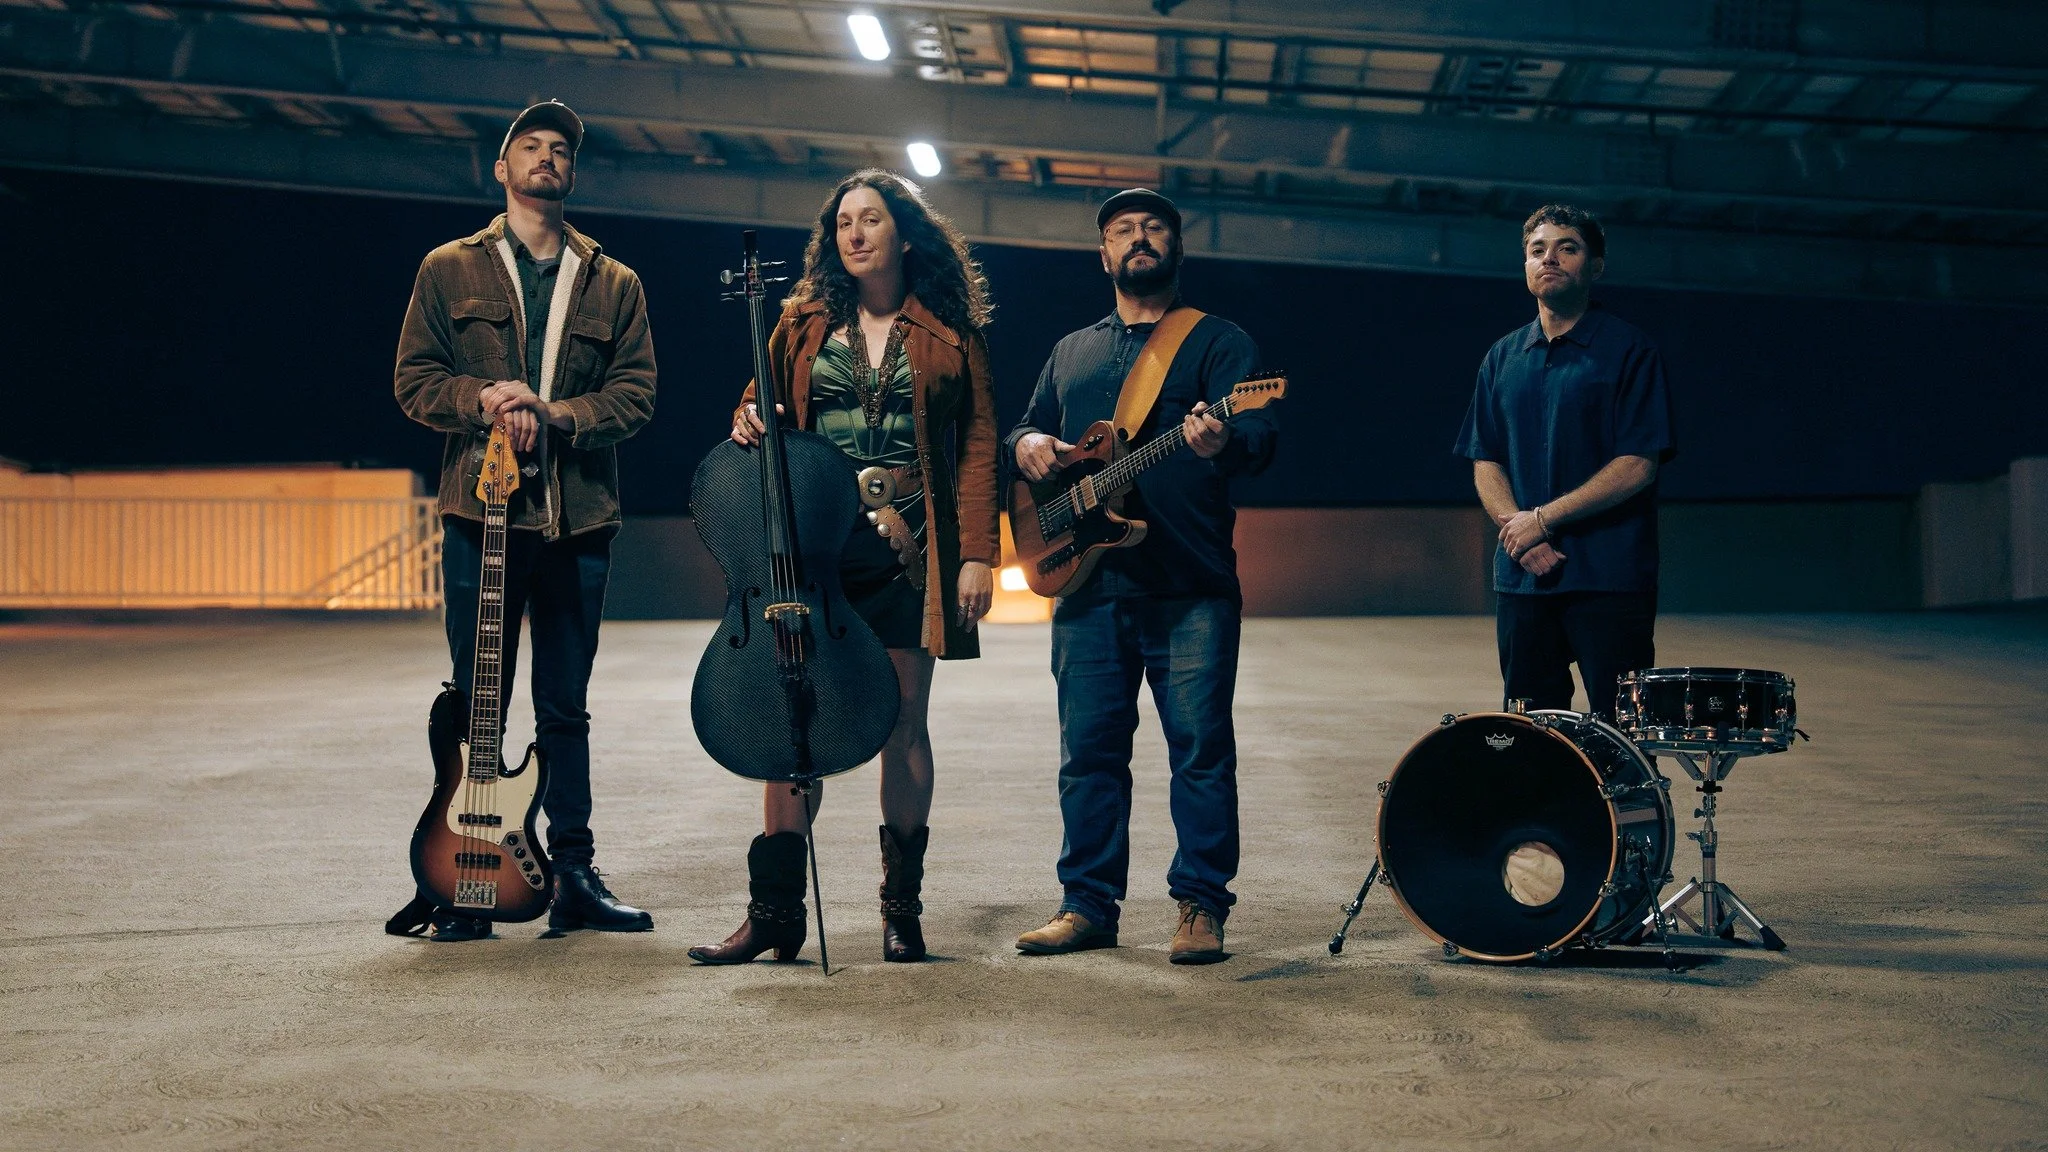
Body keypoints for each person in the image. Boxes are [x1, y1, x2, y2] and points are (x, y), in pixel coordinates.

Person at [689, 169, 998, 965]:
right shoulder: (800, 323)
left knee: (901, 721)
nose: (855, 234)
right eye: (843, 224)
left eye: (871, 220)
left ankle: (901, 911)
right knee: (792, 723)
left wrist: (977, 557)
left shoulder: (953, 332)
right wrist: (748, 412)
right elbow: (761, 408)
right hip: (815, 548)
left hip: (910, 548)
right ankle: (776, 915)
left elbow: (976, 450)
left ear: (904, 233)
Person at [390, 100, 659, 941]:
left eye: (561, 150)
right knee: (480, 699)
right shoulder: (447, 269)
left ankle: (573, 871)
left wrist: (557, 413)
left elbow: (637, 394)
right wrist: (484, 398)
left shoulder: (614, 282)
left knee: (565, 707)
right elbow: (414, 381)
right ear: (500, 170)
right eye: (529, 147)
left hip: (577, 524)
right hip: (481, 516)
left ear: (572, 174)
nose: (548, 157)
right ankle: (467, 884)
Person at [1006, 189, 1278, 965]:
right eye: (1122, 229)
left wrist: (1219, 437)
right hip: (1088, 584)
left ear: (1176, 247)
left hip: (1188, 583)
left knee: (1199, 750)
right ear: (1103, 254)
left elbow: (1260, 438)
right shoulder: (1072, 351)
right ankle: (1086, 904)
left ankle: (1200, 906)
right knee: (1087, 753)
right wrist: (1026, 442)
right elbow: (1030, 422)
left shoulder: (1219, 344)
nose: (1138, 237)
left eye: (1153, 226)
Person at [1454, 204, 1677, 719]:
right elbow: (1485, 458)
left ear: (1595, 265)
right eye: (1537, 250)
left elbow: (1638, 464)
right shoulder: (1502, 357)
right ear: (1525, 265)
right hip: (1524, 579)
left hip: (1610, 577)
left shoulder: (1629, 351)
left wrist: (1542, 520)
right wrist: (1519, 534)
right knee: (1528, 728)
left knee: (1621, 730)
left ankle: (1620, 806)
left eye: (1567, 247)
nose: (1548, 258)